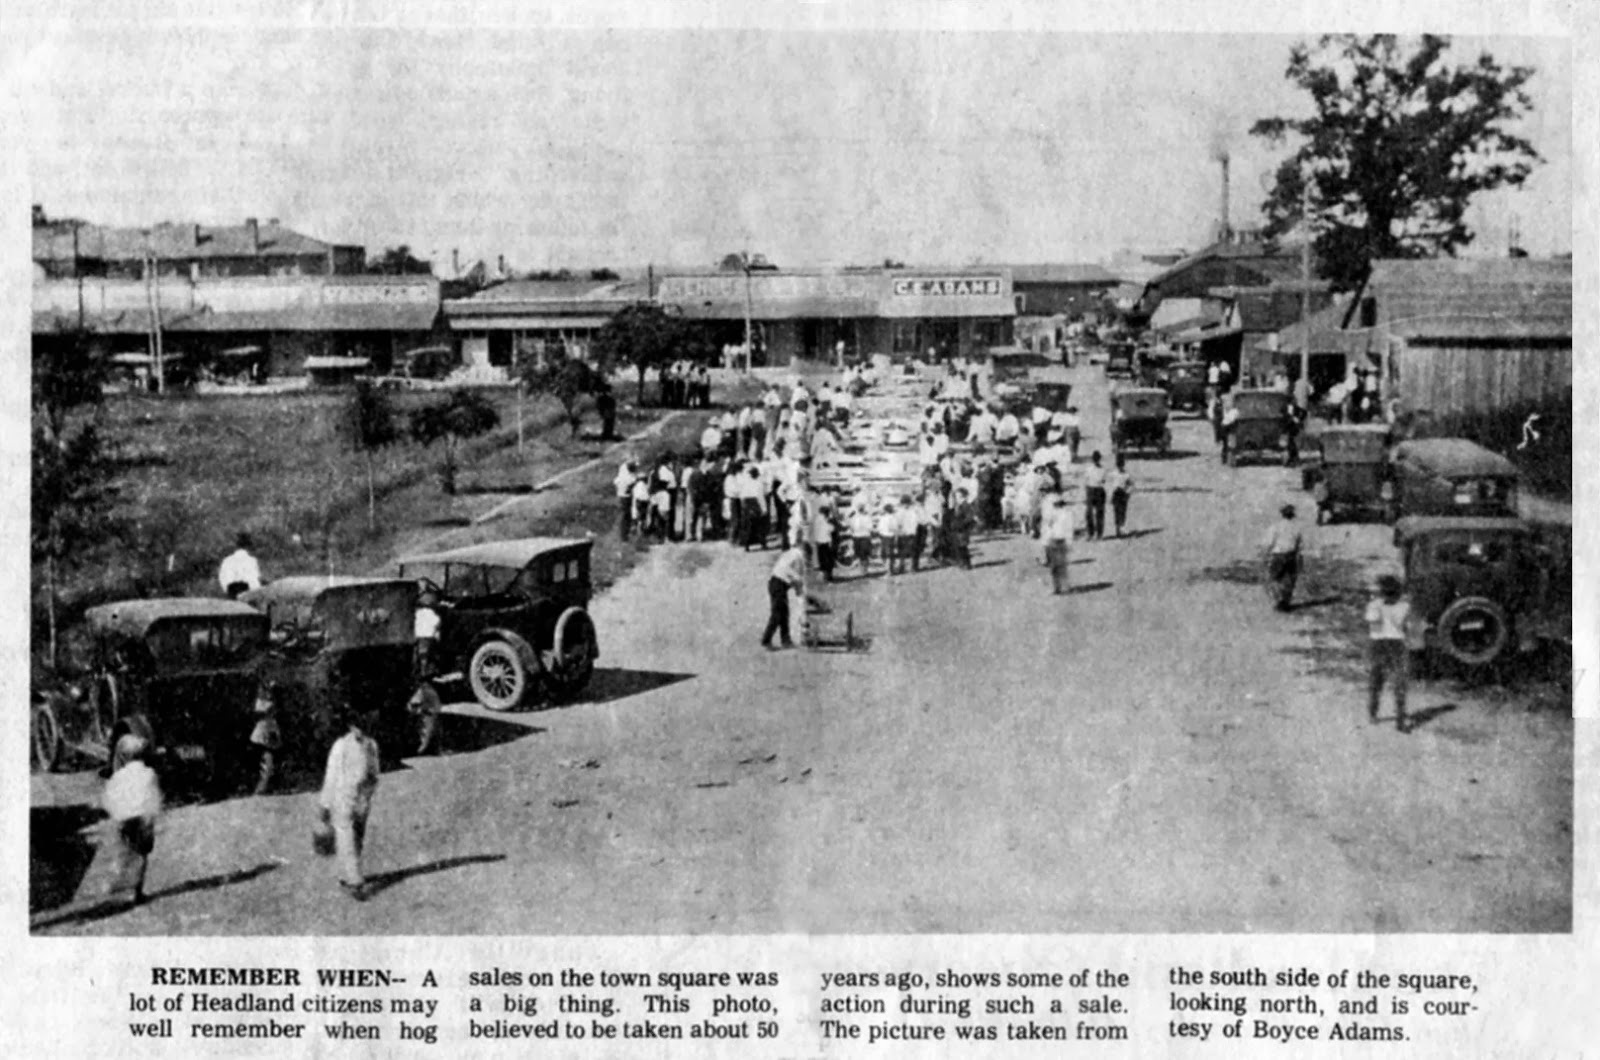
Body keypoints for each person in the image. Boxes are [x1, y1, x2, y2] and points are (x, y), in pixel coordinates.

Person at [319, 709, 381, 900]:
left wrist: (369, 794)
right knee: (345, 838)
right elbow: (331, 776)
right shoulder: (341, 746)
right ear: (350, 726)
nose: (359, 731)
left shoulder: (371, 745)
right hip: (343, 798)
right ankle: (355, 881)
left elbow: (375, 772)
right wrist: (325, 804)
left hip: (362, 799)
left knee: (357, 838)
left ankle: (346, 874)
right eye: (356, 726)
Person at [103, 733, 162, 905]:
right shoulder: (150, 773)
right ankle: (136, 891)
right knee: (142, 856)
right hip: (143, 818)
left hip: (124, 819)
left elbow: (111, 797)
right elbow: (153, 796)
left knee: (124, 853)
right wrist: (152, 817)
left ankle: (119, 886)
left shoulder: (118, 776)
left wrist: (117, 816)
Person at [1366, 574, 1412, 732]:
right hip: (1397, 643)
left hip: (1379, 642)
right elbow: (1405, 626)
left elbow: (1373, 625)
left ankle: (1373, 713)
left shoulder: (1374, 605)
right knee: (1399, 682)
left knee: (1376, 679)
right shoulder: (1405, 606)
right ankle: (1400, 719)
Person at [762, 542, 806, 650]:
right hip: (779, 584)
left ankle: (785, 640)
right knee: (777, 614)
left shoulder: (789, 553)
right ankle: (766, 640)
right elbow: (798, 581)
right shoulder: (799, 557)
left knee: (784, 613)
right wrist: (802, 600)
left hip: (774, 582)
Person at [1262, 504, 1303, 612]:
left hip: (1278, 555)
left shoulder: (1275, 527)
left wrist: (1265, 554)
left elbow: (1269, 543)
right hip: (1291, 555)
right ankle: (1285, 602)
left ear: (1282, 514)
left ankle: (1278, 599)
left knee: (1272, 578)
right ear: (1292, 515)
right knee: (1290, 580)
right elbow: (1299, 544)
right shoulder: (1296, 528)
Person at [248, 682, 282, 795]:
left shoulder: (270, 704)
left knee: (268, 760)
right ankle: (262, 786)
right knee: (265, 760)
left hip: (269, 730)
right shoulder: (261, 703)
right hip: (263, 732)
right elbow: (261, 711)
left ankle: (264, 786)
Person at [1042, 494, 1075, 594]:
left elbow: (1068, 530)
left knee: (1059, 566)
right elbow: (1048, 529)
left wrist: (1069, 542)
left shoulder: (1066, 515)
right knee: (1056, 566)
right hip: (1055, 540)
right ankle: (1058, 587)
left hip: (1060, 541)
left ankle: (1062, 586)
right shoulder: (1053, 515)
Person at [219, 532, 262, 597]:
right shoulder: (251, 561)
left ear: (236, 546)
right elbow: (254, 581)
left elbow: (223, 579)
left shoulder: (227, 560)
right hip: (246, 591)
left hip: (231, 591)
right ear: (248, 547)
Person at [414, 590, 441, 684]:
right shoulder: (433, 615)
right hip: (429, 637)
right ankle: (427, 673)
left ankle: (421, 673)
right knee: (429, 656)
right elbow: (437, 624)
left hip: (420, 637)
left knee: (421, 656)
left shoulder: (418, 614)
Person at [1082, 451, 1107, 540]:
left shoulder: (1103, 469)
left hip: (1099, 490)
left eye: (1097, 459)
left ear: (1099, 459)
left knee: (1099, 513)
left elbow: (1103, 481)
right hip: (1090, 490)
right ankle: (1090, 533)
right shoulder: (1088, 469)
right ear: (1092, 459)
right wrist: (1086, 493)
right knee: (1089, 513)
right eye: (1094, 459)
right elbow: (1085, 481)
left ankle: (1099, 534)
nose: (1096, 461)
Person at [1106, 455, 1132, 538]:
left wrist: (1128, 492)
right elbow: (1108, 484)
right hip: (1115, 494)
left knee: (1123, 511)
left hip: (1123, 494)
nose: (1120, 467)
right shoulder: (1112, 474)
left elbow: (1131, 485)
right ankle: (1117, 530)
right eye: (1118, 465)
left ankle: (1121, 527)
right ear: (1116, 465)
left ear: (1123, 465)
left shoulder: (1127, 474)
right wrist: (1110, 494)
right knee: (1116, 511)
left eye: (1121, 465)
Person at [615, 460, 639, 540]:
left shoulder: (622, 473)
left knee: (625, 515)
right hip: (626, 497)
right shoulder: (629, 478)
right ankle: (624, 535)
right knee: (626, 516)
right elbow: (631, 485)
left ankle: (625, 534)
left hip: (621, 496)